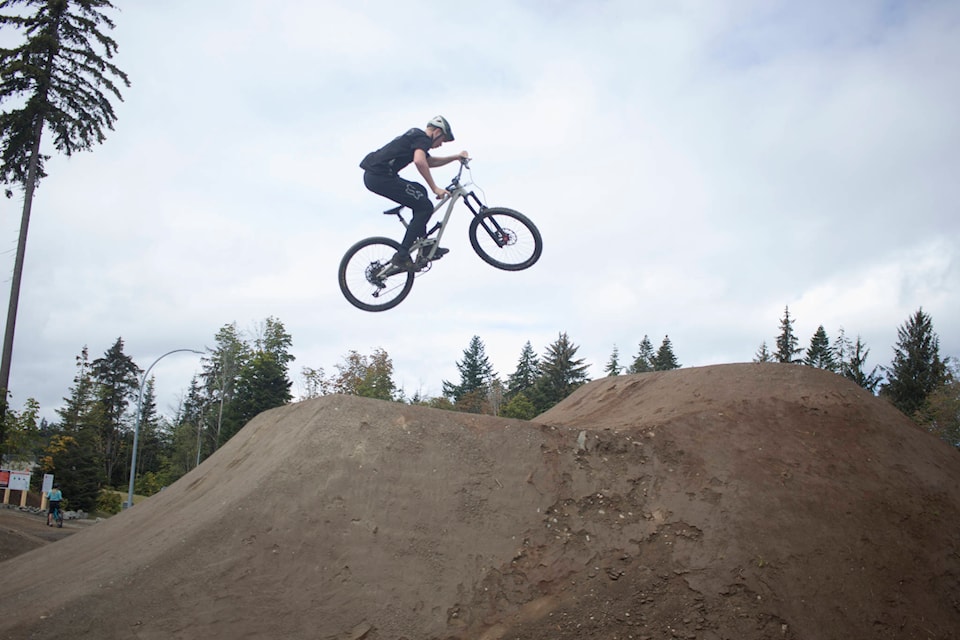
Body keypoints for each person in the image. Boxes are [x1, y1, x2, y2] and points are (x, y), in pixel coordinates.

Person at [360, 115, 470, 270]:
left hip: (376, 176)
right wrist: (435, 188)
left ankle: (423, 245)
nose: (440, 145)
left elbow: (428, 161)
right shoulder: (423, 138)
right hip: (380, 177)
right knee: (425, 207)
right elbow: (419, 161)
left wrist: (455, 157)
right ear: (437, 132)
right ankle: (402, 255)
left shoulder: (417, 138)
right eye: (442, 140)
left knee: (419, 191)